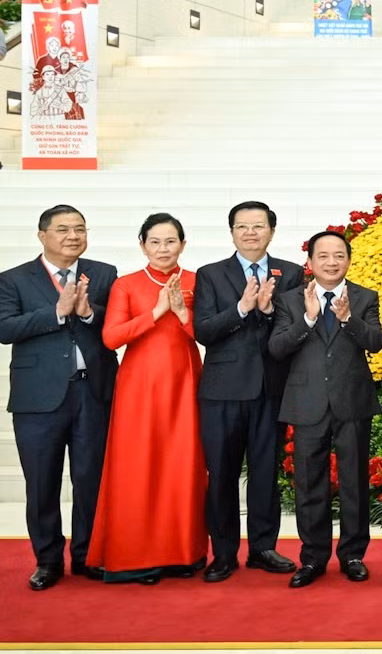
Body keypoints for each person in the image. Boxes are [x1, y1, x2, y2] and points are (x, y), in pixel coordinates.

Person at [2, 205, 117, 590]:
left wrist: (87, 313)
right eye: (63, 229)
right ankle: (48, 560)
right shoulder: (13, 279)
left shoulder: (103, 273)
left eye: (80, 229)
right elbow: (5, 328)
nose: (73, 236)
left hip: (93, 391)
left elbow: (115, 321)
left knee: (90, 479)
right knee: (42, 483)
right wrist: (56, 311)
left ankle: (86, 556)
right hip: (39, 398)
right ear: (42, 236)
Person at [92, 214, 207, 583]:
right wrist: (157, 312)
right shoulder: (126, 284)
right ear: (142, 245)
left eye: (170, 241)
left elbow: (206, 334)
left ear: (183, 245)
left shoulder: (196, 281)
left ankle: (182, 553)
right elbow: (111, 338)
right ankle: (136, 555)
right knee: (138, 466)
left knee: (183, 465)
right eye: (155, 242)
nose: (163, 249)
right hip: (139, 385)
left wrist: (182, 313)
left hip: (185, 381)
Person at [268, 230, 382, 588]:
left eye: (339, 256)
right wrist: (308, 319)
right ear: (311, 262)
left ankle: (352, 555)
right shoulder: (290, 301)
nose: (331, 262)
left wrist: (349, 319)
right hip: (307, 403)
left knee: (354, 483)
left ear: (349, 259)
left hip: (352, 401)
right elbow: (277, 348)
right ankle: (313, 557)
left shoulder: (364, 297)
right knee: (309, 483)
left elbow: (376, 343)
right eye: (324, 256)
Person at [193, 200, 300, 582]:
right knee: (220, 474)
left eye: (258, 226)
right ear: (232, 232)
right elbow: (202, 331)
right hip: (222, 391)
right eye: (243, 226)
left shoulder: (290, 274)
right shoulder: (210, 274)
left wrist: (269, 312)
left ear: (272, 230)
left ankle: (262, 548)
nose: (251, 233)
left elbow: (295, 332)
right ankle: (222, 553)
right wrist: (241, 309)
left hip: (271, 389)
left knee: (265, 472)